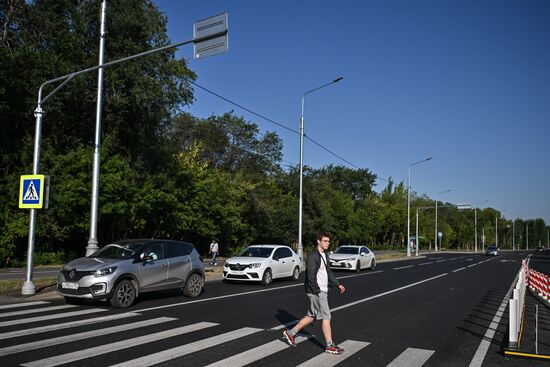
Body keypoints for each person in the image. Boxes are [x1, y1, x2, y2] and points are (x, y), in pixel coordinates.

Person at [283, 231, 346, 355]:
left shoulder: (324, 255)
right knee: (326, 317)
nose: (328, 243)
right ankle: (329, 345)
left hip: (322, 289)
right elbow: (310, 276)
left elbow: (328, 272)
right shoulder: (313, 256)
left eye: (328, 241)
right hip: (317, 291)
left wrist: (337, 284)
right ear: (318, 241)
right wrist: (317, 291)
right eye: (325, 241)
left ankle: (290, 333)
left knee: (312, 316)